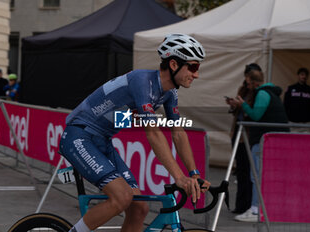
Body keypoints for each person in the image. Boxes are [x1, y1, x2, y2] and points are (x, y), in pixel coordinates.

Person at [59, 33, 211, 232]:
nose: (196, 74)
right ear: (174, 64)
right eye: (193, 67)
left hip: (102, 140)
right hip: (79, 136)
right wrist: (179, 178)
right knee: (122, 197)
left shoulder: (169, 92)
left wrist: (194, 174)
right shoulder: (142, 81)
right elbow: (153, 133)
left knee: (139, 208)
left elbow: (178, 132)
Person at [230, 68, 289, 222]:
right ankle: (261, 208)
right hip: (272, 140)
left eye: (248, 83)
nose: (247, 86)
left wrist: (243, 105)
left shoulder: (262, 94)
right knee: (261, 175)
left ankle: (256, 210)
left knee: (256, 175)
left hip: (264, 140)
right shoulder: (270, 93)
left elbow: (256, 115)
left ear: (254, 82)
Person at [226, 64, 262, 215]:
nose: (246, 81)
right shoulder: (243, 89)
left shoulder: (258, 92)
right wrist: (234, 105)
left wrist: (242, 105)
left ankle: (249, 204)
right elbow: (237, 111)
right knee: (241, 170)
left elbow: (253, 112)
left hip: (247, 134)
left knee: (248, 171)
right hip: (238, 132)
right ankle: (241, 205)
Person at [284, 67, 310, 132]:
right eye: (302, 74)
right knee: (292, 141)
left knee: (306, 141)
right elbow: (285, 104)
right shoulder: (290, 89)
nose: (304, 76)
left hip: (307, 123)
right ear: (298, 75)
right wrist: (286, 119)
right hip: (292, 122)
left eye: (305, 75)